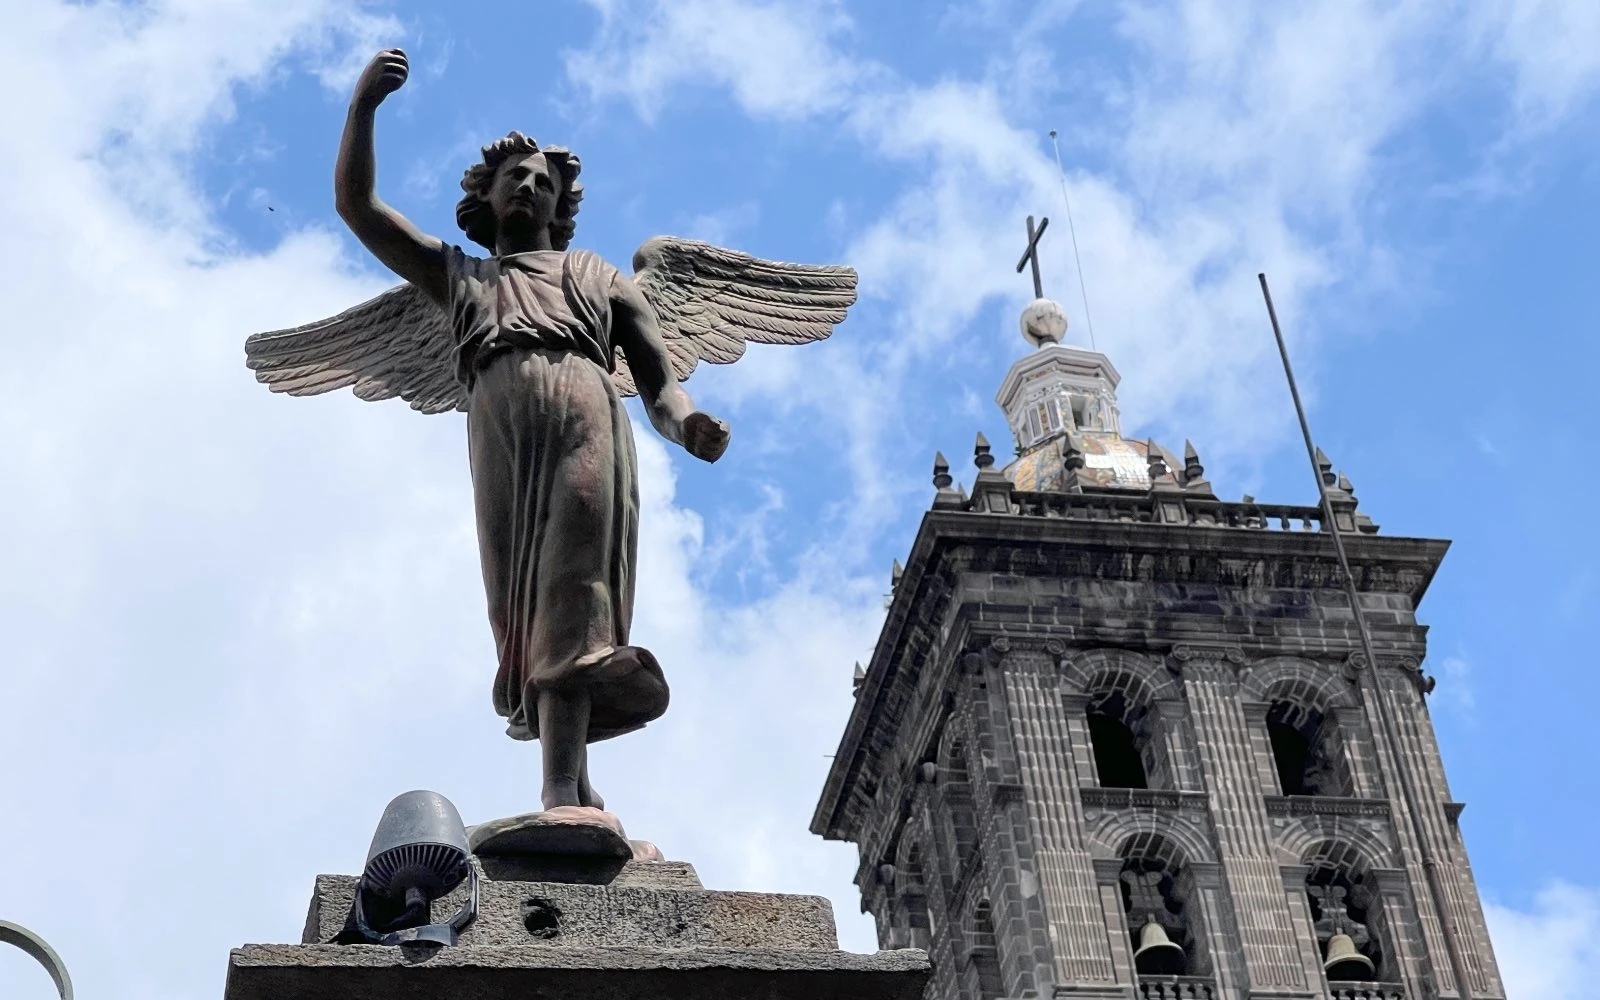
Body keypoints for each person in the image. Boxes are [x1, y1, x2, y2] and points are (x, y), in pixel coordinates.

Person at [334, 49, 730, 814]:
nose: (531, 185)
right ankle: (575, 780)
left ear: (561, 206)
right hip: (501, 435)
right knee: (517, 610)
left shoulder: (600, 278)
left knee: (572, 592)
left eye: (544, 182)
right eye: (516, 177)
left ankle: (558, 792)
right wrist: (363, 109)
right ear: (485, 196)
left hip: (586, 422)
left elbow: (661, 388)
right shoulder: (463, 279)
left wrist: (690, 427)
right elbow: (359, 208)